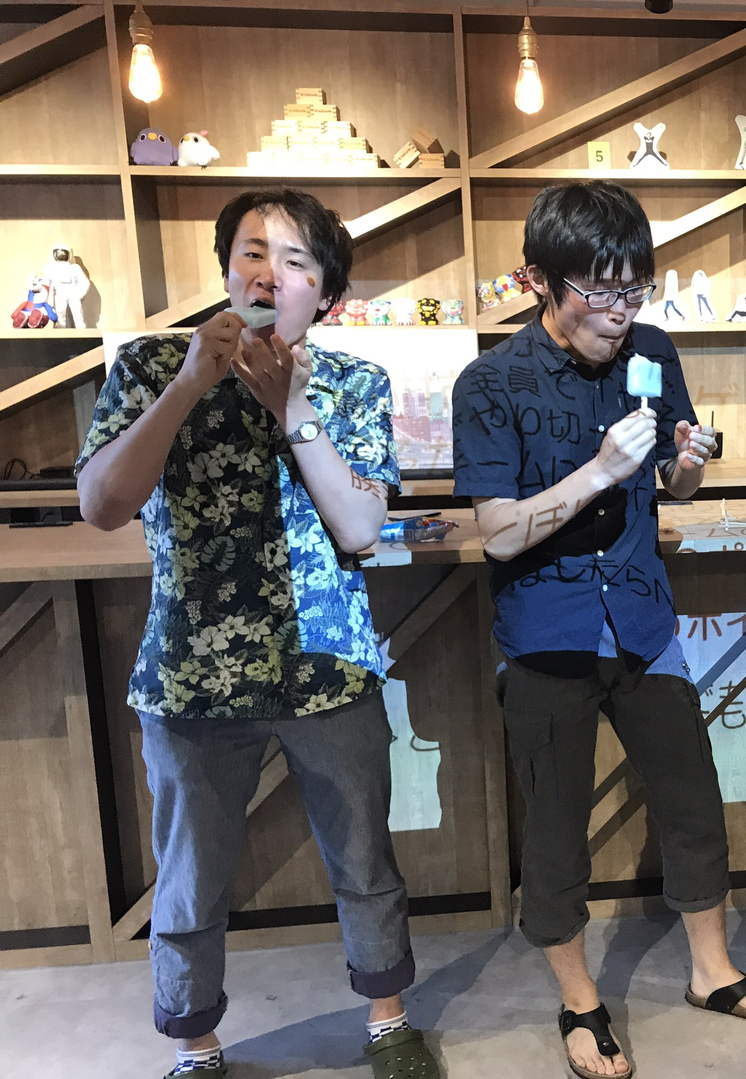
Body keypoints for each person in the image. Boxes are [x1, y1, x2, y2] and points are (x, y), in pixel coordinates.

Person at [75, 189, 439, 1079]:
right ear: (226, 270)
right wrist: (190, 383)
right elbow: (102, 504)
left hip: (329, 664)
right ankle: (194, 1047)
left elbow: (360, 528)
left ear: (328, 292)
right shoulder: (152, 365)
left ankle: (389, 1022)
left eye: (295, 260)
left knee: (365, 856)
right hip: (191, 672)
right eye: (251, 252)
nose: (268, 273)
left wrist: (292, 408)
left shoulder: (353, 381)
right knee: (190, 874)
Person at [450, 180, 746, 1079]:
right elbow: (498, 533)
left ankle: (712, 972)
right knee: (555, 829)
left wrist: (685, 465)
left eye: (635, 288)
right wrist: (601, 471)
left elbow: (673, 486)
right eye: (600, 291)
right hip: (546, 633)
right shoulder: (491, 383)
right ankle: (580, 1001)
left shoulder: (651, 350)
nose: (621, 312)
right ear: (540, 280)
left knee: (693, 800)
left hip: (646, 621)